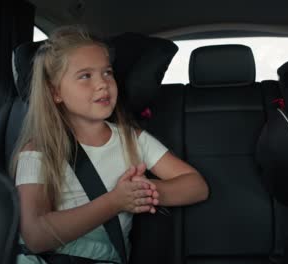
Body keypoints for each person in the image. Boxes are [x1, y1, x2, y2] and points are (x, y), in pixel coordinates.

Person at [11, 26, 209, 263]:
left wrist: (142, 193)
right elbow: (36, 236)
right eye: (86, 76)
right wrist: (115, 201)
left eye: (107, 72)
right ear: (56, 93)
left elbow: (196, 186)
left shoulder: (132, 139)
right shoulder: (37, 150)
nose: (103, 84)